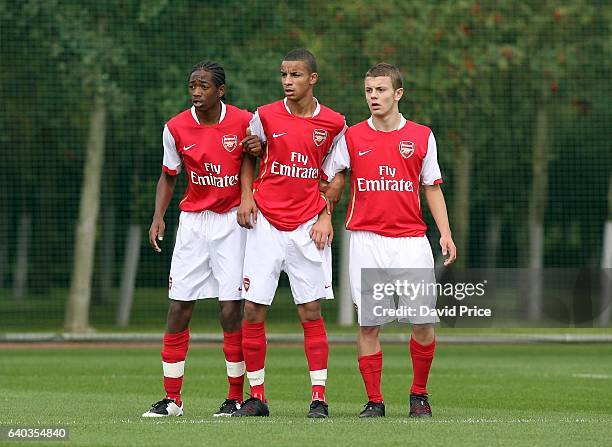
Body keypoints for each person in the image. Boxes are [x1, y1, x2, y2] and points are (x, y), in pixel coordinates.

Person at [322, 63, 456, 418]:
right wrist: (324, 214)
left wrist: (445, 232)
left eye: (380, 90)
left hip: (411, 241)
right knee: (369, 323)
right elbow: (330, 181)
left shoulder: (423, 136)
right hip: (365, 240)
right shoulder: (350, 138)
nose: (373, 97)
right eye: (369, 91)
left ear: (398, 94)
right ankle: (375, 401)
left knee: (422, 322)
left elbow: (432, 187)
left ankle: (419, 394)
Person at [142, 60, 262, 418]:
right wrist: (158, 217)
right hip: (194, 223)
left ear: (220, 90)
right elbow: (168, 175)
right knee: (179, 307)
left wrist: (248, 191)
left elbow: (259, 158)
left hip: (233, 224)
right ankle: (172, 399)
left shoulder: (244, 121)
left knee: (230, 310)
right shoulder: (175, 127)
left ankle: (234, 398)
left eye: (204, 86)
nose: (196, 92)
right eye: (192, 85)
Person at [231, 49, 346, 418]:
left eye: (295, 75)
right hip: (265, 223)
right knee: (252, 309)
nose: (287, 81)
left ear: (312, 78)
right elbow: (249, 157)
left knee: (310, 311)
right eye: (283, 75)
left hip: (307, 226)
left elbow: (336, 175)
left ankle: (318, 398)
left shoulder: (334, 123)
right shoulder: (263, 115)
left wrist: (327, 217)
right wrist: (247, 197)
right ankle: (258, 397)